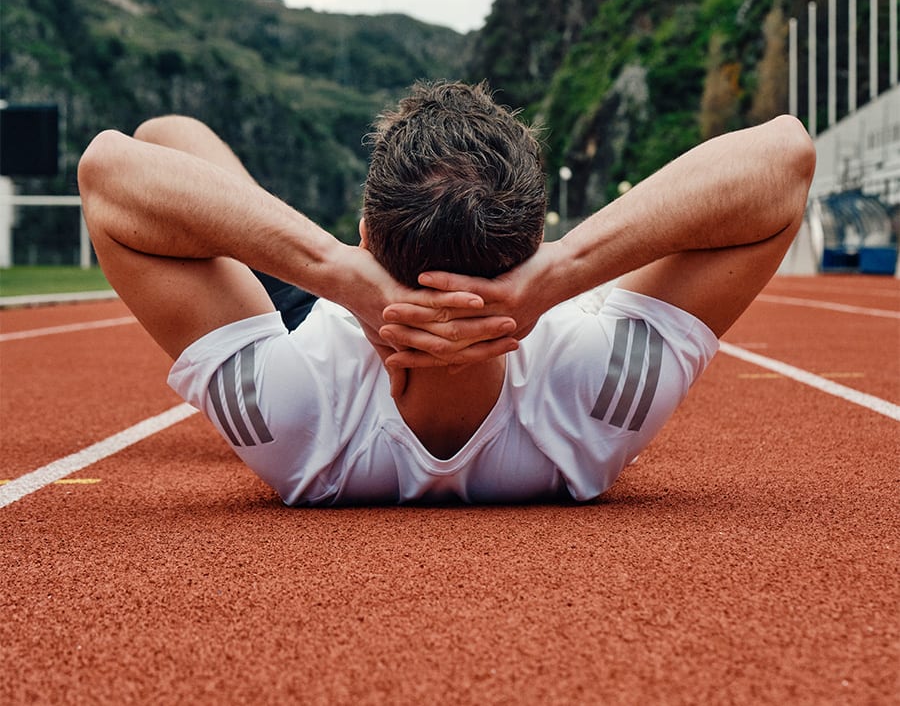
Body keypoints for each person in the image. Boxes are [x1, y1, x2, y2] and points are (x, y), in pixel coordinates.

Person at [77, 80, 816, 505]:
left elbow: (111, 167)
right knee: (166, 136)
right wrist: (562, 271)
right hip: (471, 314)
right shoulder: (598, 399)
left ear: (366, 233)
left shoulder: (291, 416)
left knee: (166, 129)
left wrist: (333, 271)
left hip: (316, 325)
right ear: (531, 245)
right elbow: (785, 155)